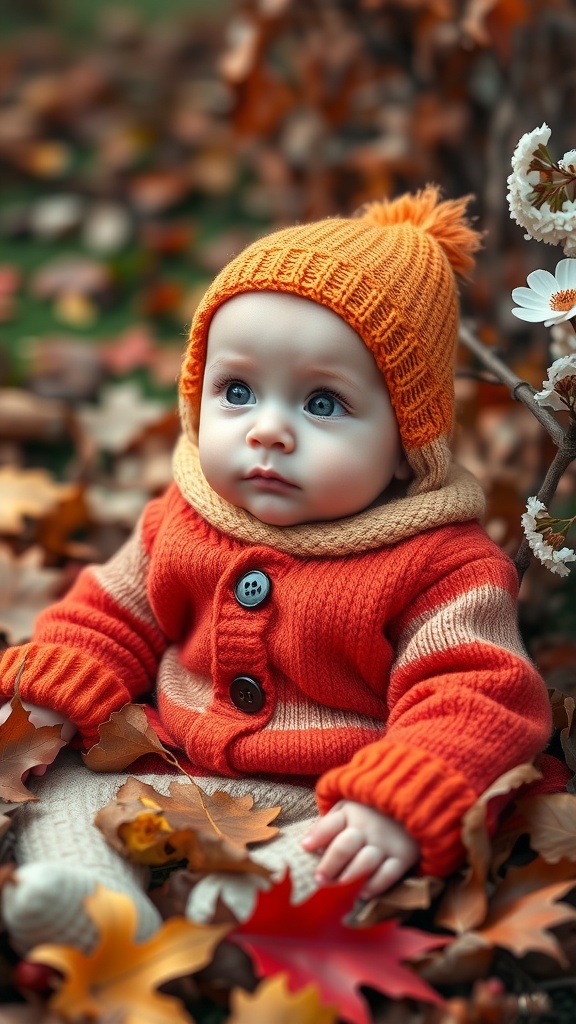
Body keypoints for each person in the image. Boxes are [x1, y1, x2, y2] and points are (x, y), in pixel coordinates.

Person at [0, 186, 553, 954]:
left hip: (329, 795)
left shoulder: (441, 565)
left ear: (406, 444)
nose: (268, 430)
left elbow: (476, 693)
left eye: (322, 403)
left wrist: (397, 794)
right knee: (58, 784)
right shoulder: (187, 515)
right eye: (237, 392)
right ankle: (89, 898)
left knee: (358, 854)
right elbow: (112, 611)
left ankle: (250, 908)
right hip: (168, 761)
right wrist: (54, 695)